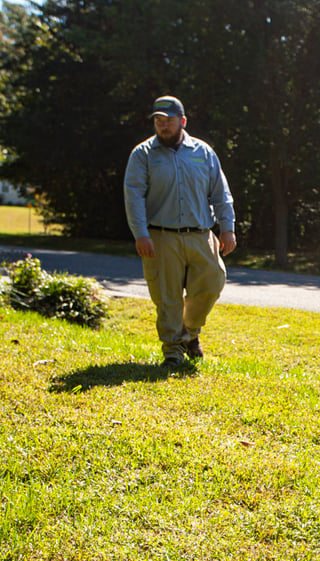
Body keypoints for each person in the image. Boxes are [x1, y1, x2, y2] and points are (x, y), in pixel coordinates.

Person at [123, 95, 237, 368]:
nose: (163, 126)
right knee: (167, 296)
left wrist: (227, 228)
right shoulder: (143, 155)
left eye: (169, 121)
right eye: (158, 121)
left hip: (201, 233)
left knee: (212, 283)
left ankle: (190, 332)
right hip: (160, 236)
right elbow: (134, 196)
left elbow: (221, 193)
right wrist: (141, 234)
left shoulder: (203, 152)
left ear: (182, 121)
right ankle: (173, 350)